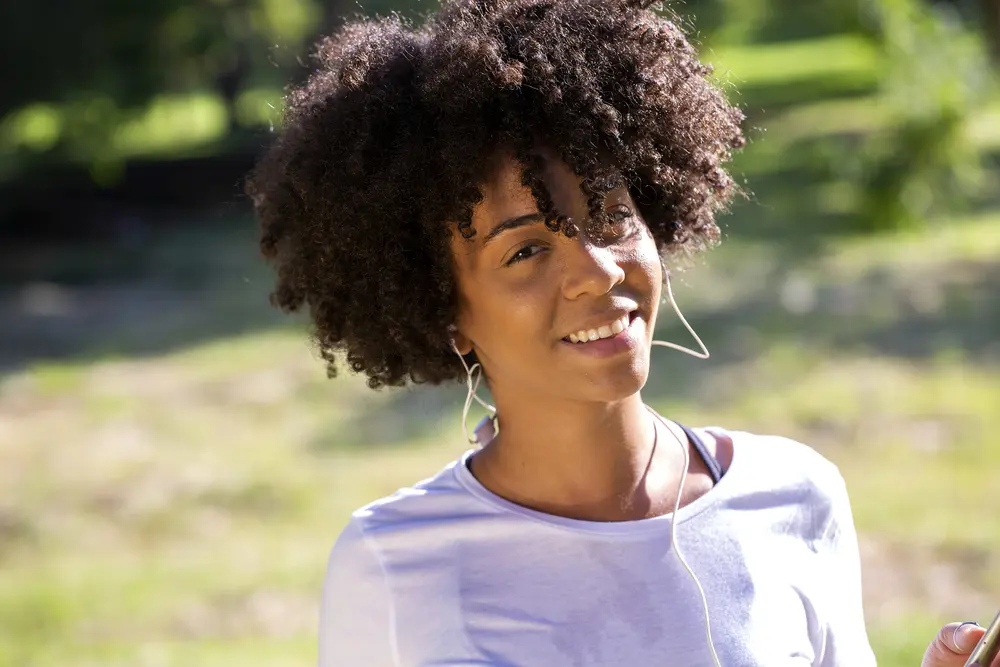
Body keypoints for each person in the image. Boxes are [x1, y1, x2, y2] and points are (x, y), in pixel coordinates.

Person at [246, 0, 994, 665]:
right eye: (527, 249)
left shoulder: (794, 496)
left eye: (609, 215)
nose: (597, 270)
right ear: (444, 309)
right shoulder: (392, 564)